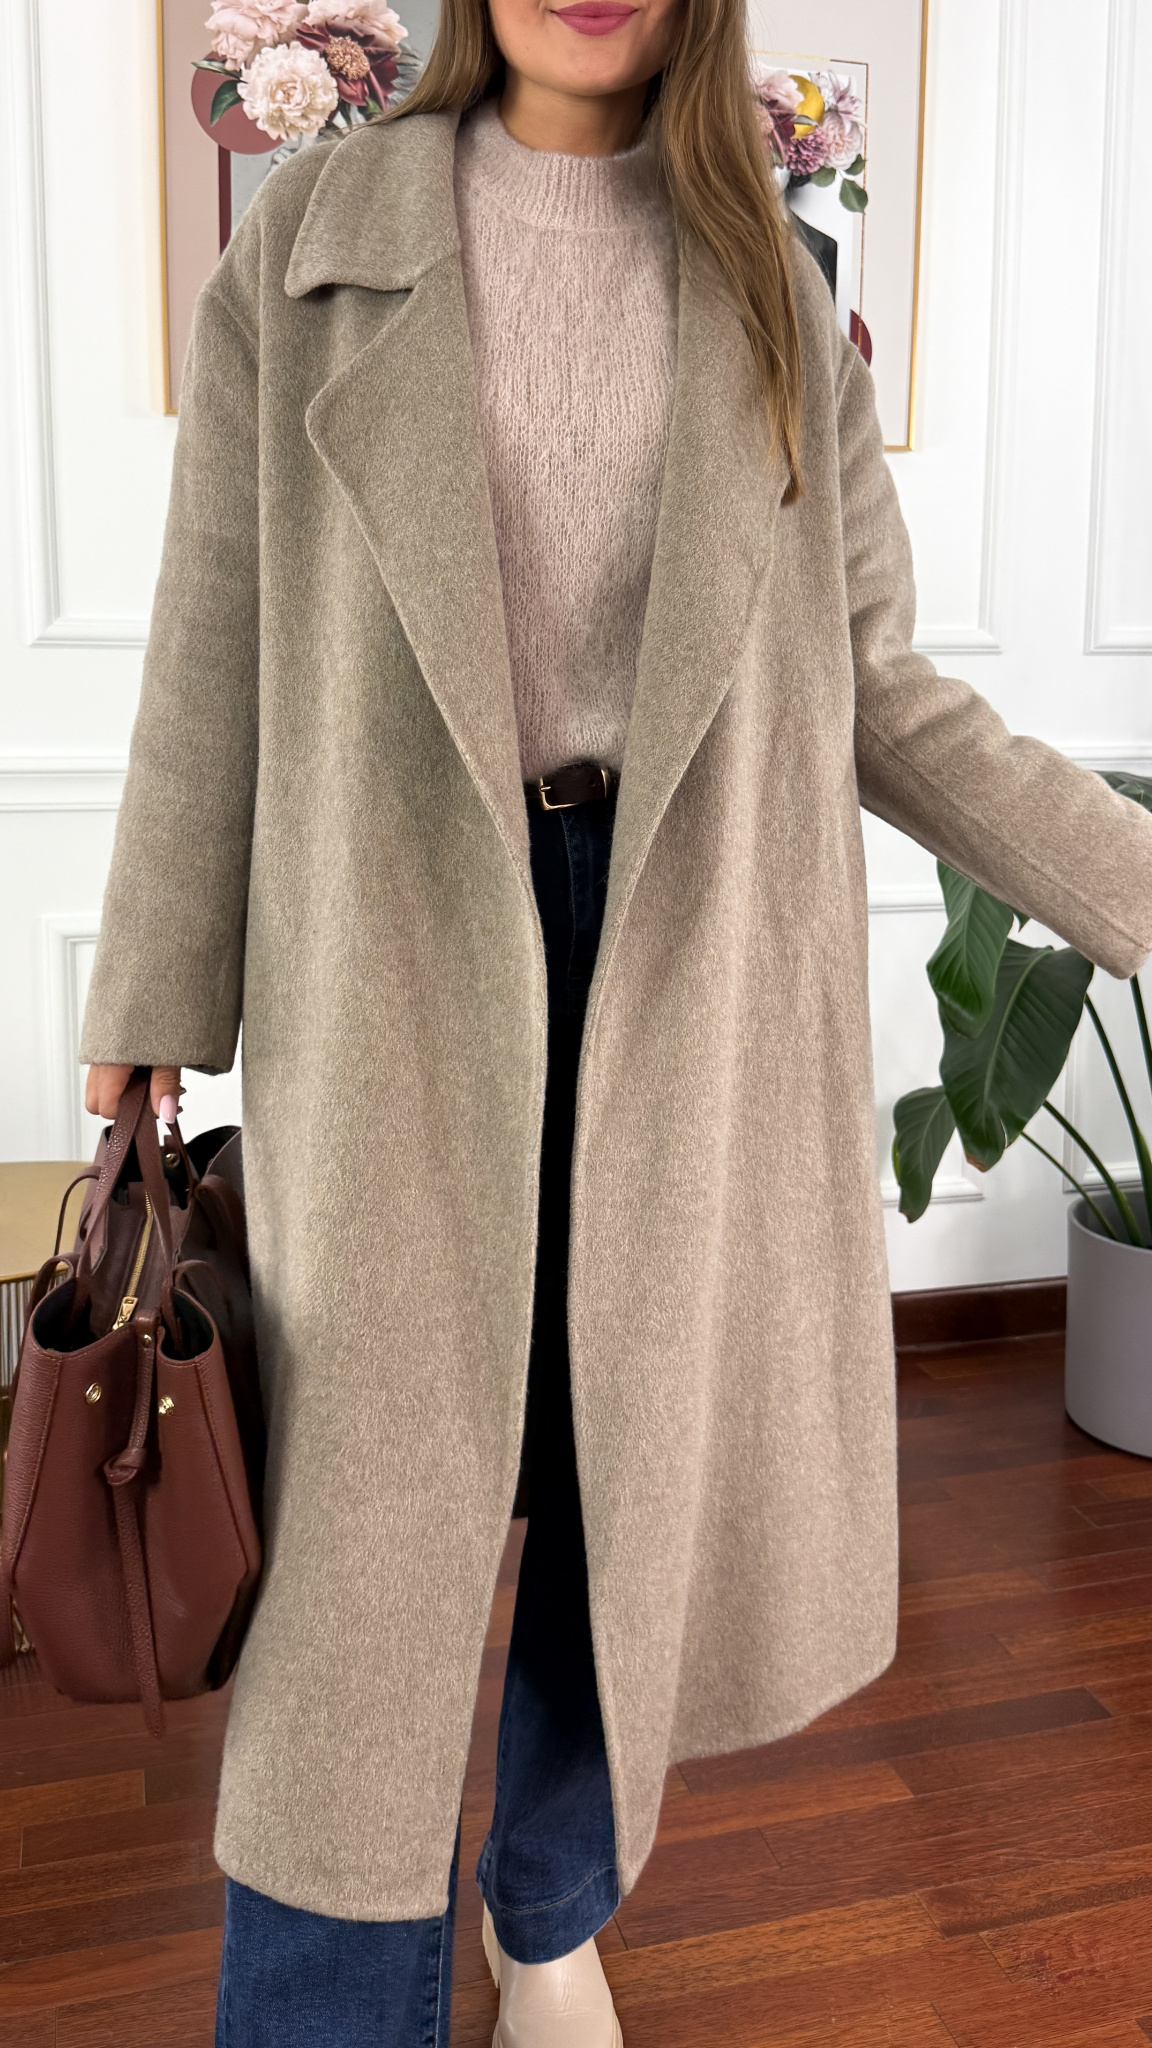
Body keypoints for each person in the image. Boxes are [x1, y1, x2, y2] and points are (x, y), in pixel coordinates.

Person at [80, 0, 1152, 2034]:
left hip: (684, 962)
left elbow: (881, 688)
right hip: (398, 961)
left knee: (612, 1493)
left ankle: (550, 1904)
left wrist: (1136, 883)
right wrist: (148, 986)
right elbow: (209, 639)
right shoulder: (311, 239)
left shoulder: (774, 284)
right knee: (360, 1568)